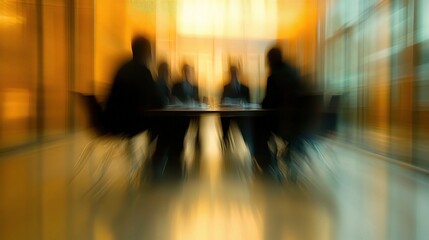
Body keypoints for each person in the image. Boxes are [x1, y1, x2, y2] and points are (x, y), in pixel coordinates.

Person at [252, 46, 307, 179]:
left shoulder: (274, 77)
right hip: (300, 124)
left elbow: (267, 104)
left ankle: (265, 163)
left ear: (270, 60)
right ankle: (280, 156)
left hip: (283, 125)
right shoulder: (295, 73)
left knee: (256, 125)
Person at [104, 35, 164, 138]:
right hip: (131, 123)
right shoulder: (143, 72)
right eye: (150, 51)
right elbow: (159, 101)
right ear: (147, 52)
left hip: (113, 121)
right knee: (174, 120)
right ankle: (163, 152)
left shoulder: (123, 67)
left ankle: (160, 152)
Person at [220, 65, 251, 149]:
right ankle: (225, 138)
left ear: (238, 74)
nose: (234, 75)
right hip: (229, 113)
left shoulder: (245, 88)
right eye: (232, 73)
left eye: (235, 73)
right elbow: (222, 101)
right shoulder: (225, 87)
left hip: (242, 113)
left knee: (247, 122)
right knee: (223, 117)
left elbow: (249, 102)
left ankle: (248, 141)